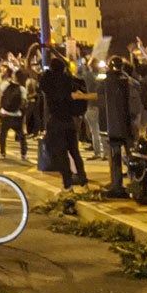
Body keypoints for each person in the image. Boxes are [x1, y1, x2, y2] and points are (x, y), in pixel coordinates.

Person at [37, 50, 94, 189]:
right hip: (69, 120)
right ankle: (83, 180)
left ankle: (67, 185)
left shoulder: (48, 81)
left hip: (56, 121)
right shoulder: (68, 80)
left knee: (61, 154)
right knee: (74, 152)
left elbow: (34, 74)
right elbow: (69, 66)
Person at [101, 60, 143, 200]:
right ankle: (135, 182)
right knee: (131, 153)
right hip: (129, 121)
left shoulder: (113, 81)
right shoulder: (130, 80)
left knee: (119, 154)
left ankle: (118, 184)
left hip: (118, 124)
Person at [0, 71, 28, 161]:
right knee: (21, 135)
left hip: (5, 113)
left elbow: (0, 95)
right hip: (16, 115)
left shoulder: (6, 84)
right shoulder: (22, 89)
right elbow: (23, 103)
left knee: (3, 134)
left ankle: (3, 153)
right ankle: (23, 154)